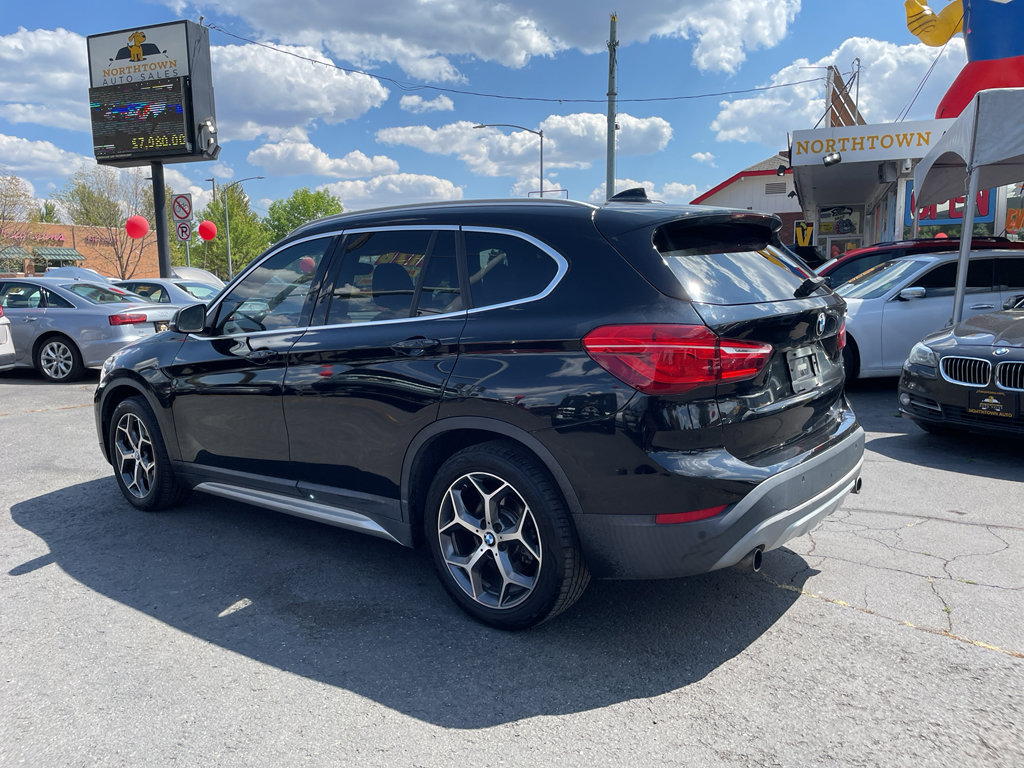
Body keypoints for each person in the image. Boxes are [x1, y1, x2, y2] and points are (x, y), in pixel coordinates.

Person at [905, 0, 1024, 118]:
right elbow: (938, 34)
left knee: (949, 114)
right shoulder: (966, 5)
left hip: (988, 70)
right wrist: (924, 22)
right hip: (980, 71)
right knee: (949, 113)